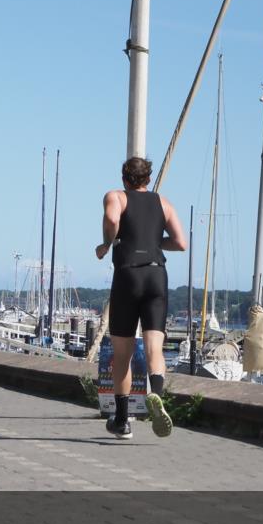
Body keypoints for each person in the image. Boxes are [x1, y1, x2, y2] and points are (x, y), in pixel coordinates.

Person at [95, 157, 186, 440]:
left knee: (123, 354)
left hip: (128, 275)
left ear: (124, 178)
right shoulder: (164, 203)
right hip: (157, 276)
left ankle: (122, 422)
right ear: (149, 179)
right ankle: (155, 395)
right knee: (154, 348)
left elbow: (112, 218)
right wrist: (154, 243)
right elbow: (181, 243)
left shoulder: (116, 197)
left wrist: (108, 242)